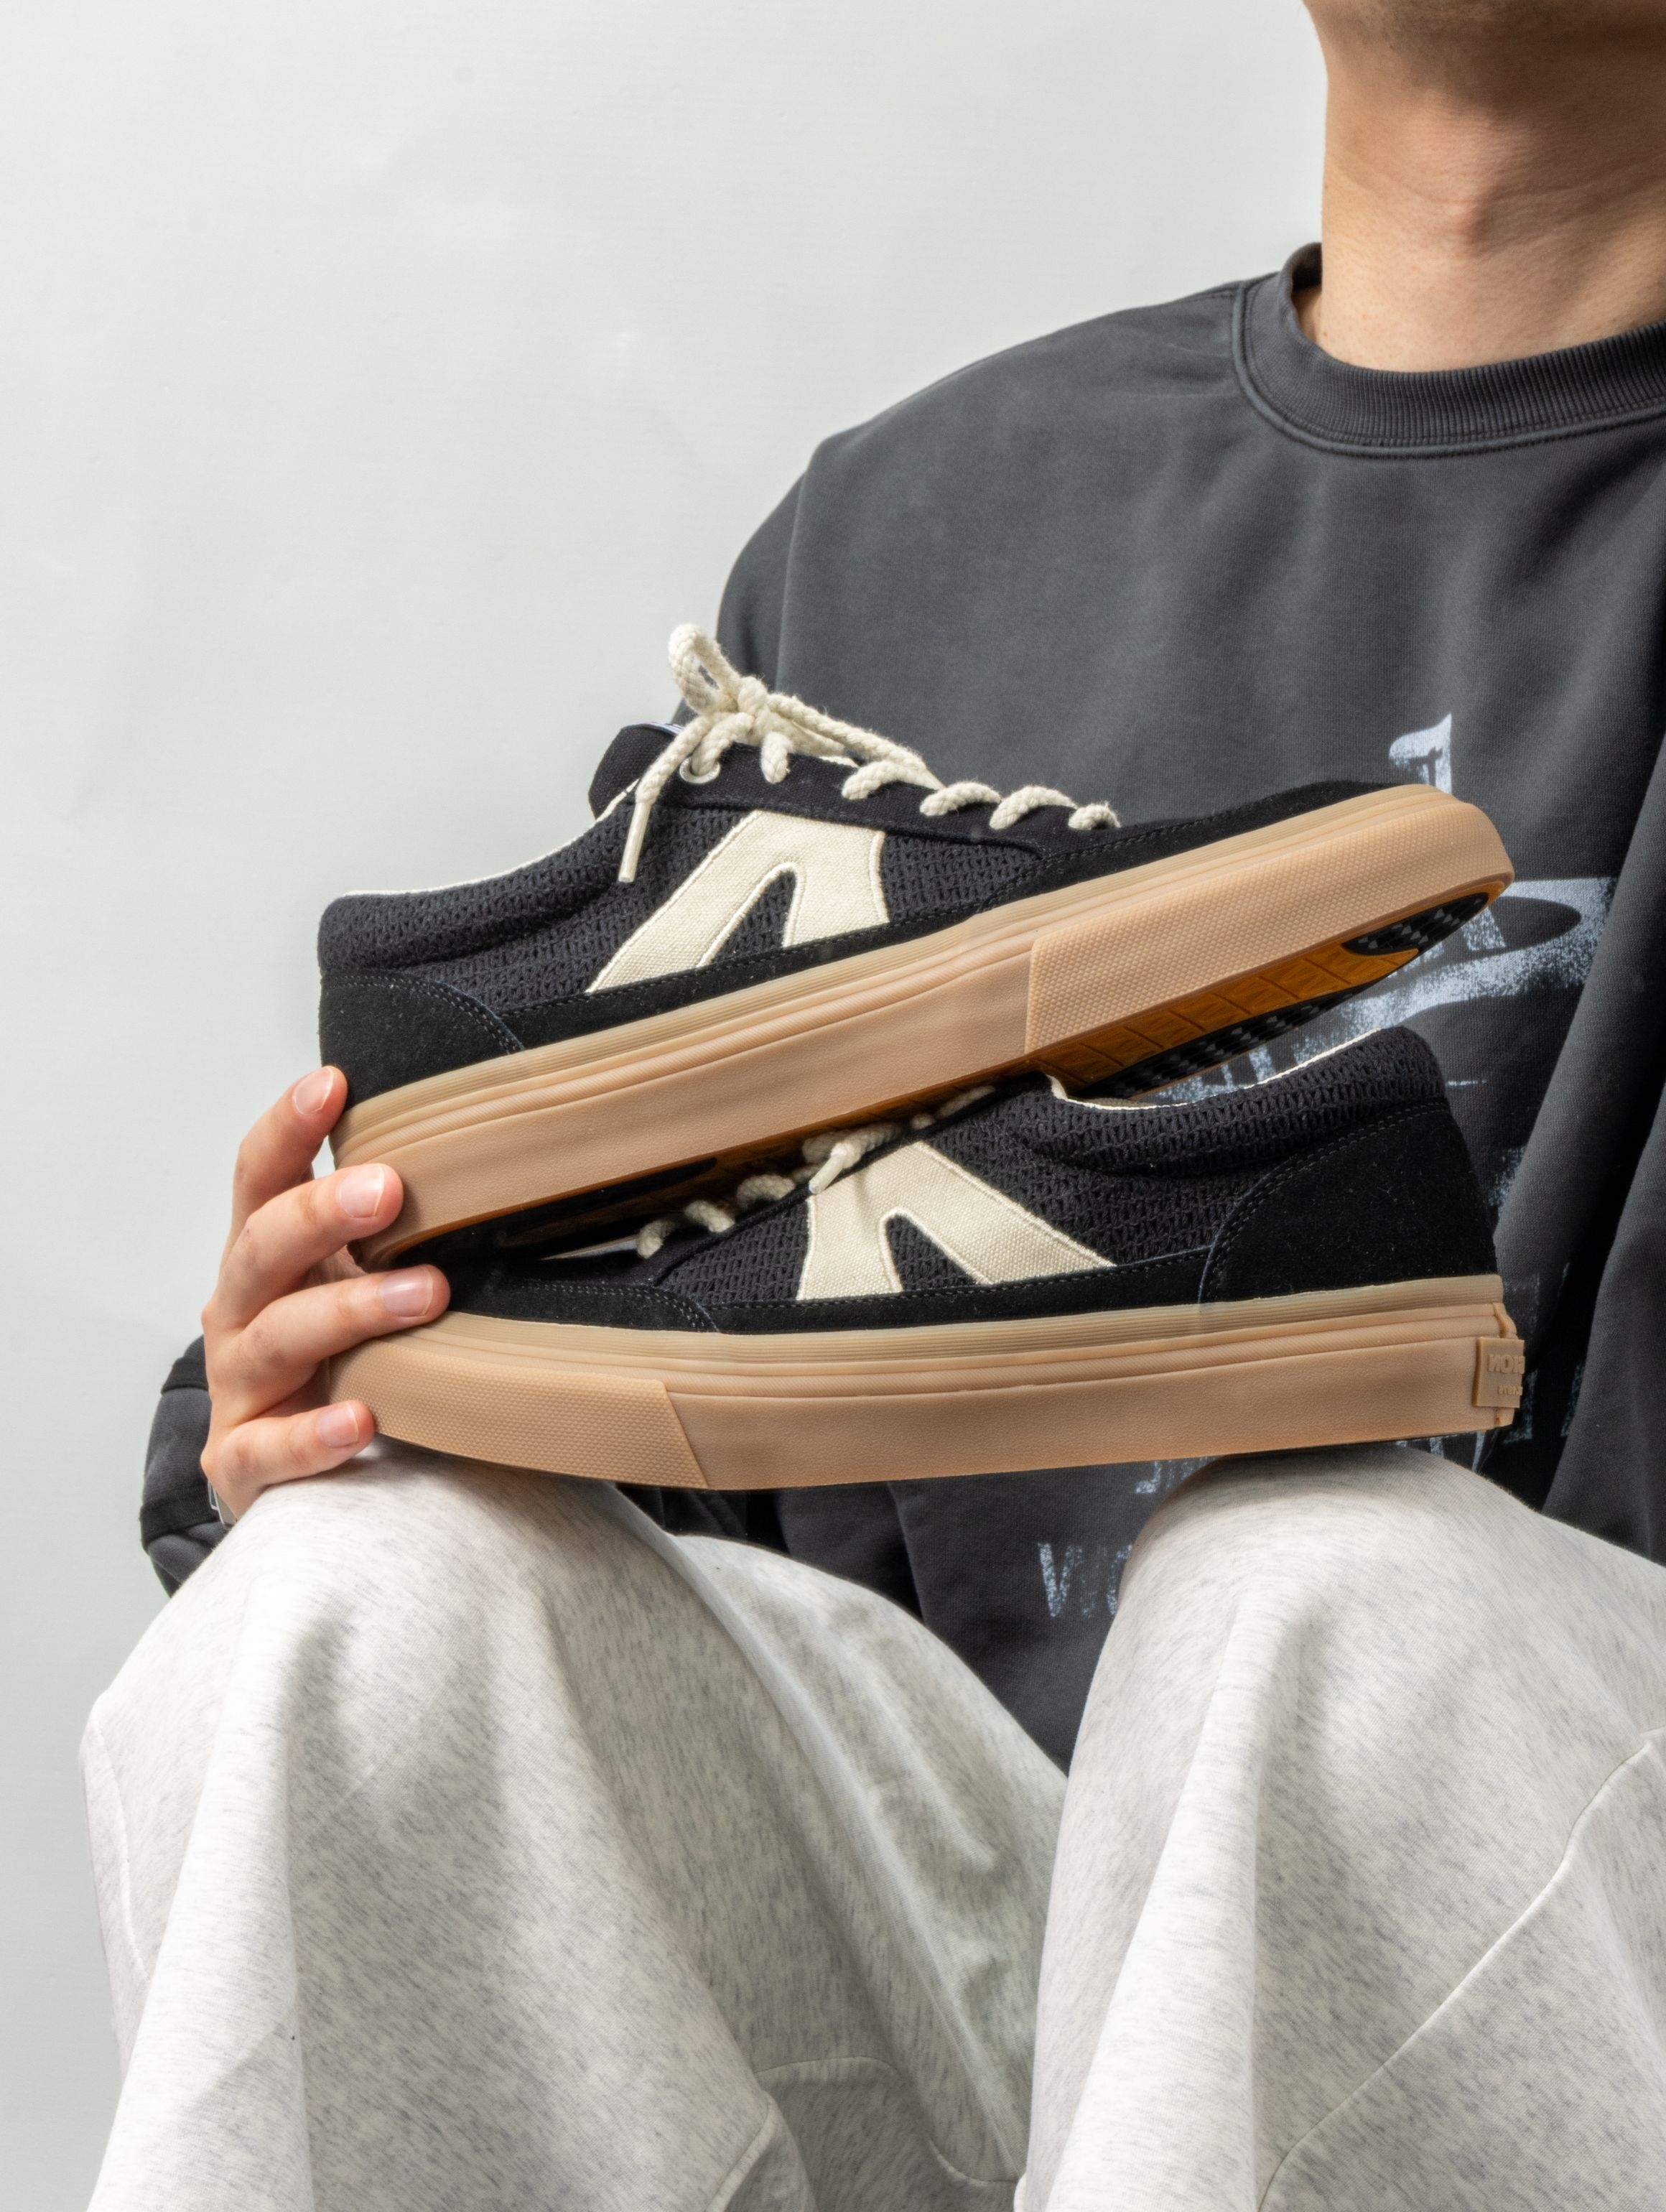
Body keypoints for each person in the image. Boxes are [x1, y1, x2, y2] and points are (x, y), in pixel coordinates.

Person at [95, 3, 1666, 2206]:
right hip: (989, 1968)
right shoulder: (914, 535)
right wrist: (370, 1379)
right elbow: (696, 1542)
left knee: (1321, 1597)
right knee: (355, 1601)